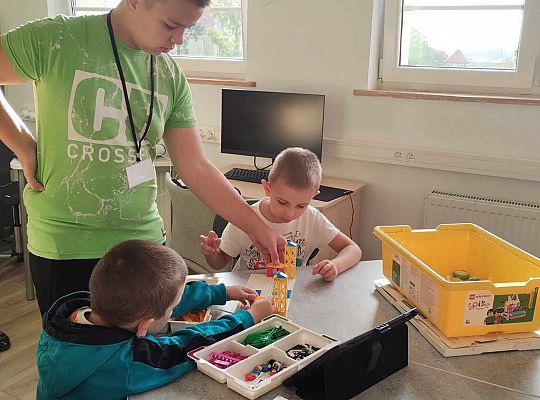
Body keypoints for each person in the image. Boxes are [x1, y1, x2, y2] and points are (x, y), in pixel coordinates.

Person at [0, 0, 285, 315]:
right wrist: (23, 145)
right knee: (79, 357)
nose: (178, 40)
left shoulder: (170, 76)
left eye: (187, 29)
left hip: (143, 248)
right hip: (65, 246)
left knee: (150, 354)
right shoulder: (56, 39)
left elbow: (196, 167)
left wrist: (257, 226)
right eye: (170, 25)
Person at [36, 239, 274, 399]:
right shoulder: (128, 363)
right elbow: (190, 344)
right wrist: (249, 317)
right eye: (172, 310)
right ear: (145, 326)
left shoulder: (66, 316)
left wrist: (219, 292)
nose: (173, 310)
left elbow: (154, 300)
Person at [200, 147, 362, 281]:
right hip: (247, 291)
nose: (290, 213)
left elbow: (352, 249)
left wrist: (335, 266)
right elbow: (219, 262)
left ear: (313, 196)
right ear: (267, 189)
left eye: (301, 205)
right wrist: (212, 253)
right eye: (282, 202)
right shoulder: (245, 218)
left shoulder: (312, 218)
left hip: (291, 289)